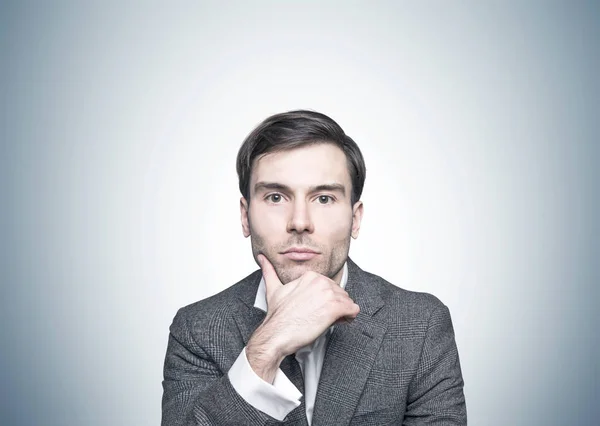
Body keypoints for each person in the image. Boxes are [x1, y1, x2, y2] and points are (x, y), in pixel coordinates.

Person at [161, 110, 467, 425]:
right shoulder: (197, 329)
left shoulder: (421, 323)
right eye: (276, 197)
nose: (300, 222)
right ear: (245, 216)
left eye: (323, 199)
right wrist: (266, 347)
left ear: (355, 218)